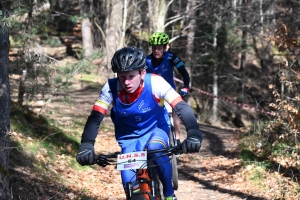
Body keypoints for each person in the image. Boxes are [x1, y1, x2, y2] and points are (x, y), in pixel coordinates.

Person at [76, 46, 202, 200]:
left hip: (156, 130)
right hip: (129, 140)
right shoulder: (110, 88)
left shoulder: (156, 82)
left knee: (156, 148)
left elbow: (181, 106)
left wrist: (193, 132)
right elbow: (96, 117)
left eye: (131, 76)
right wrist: (86, 144)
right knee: (133, 192)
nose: (126, 82)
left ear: (142, 72)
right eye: (122, 77)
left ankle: (169, 194)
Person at [146, 32, 191, 145]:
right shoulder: (146, 60)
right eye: (154, 48)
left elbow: (184, 73)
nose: (156, 51)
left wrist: (186, 86)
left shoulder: (171, 57)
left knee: (176, 109)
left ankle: (176, 138)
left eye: (159, 48)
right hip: (152, 95)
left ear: (165, 48)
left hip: (168, 93)